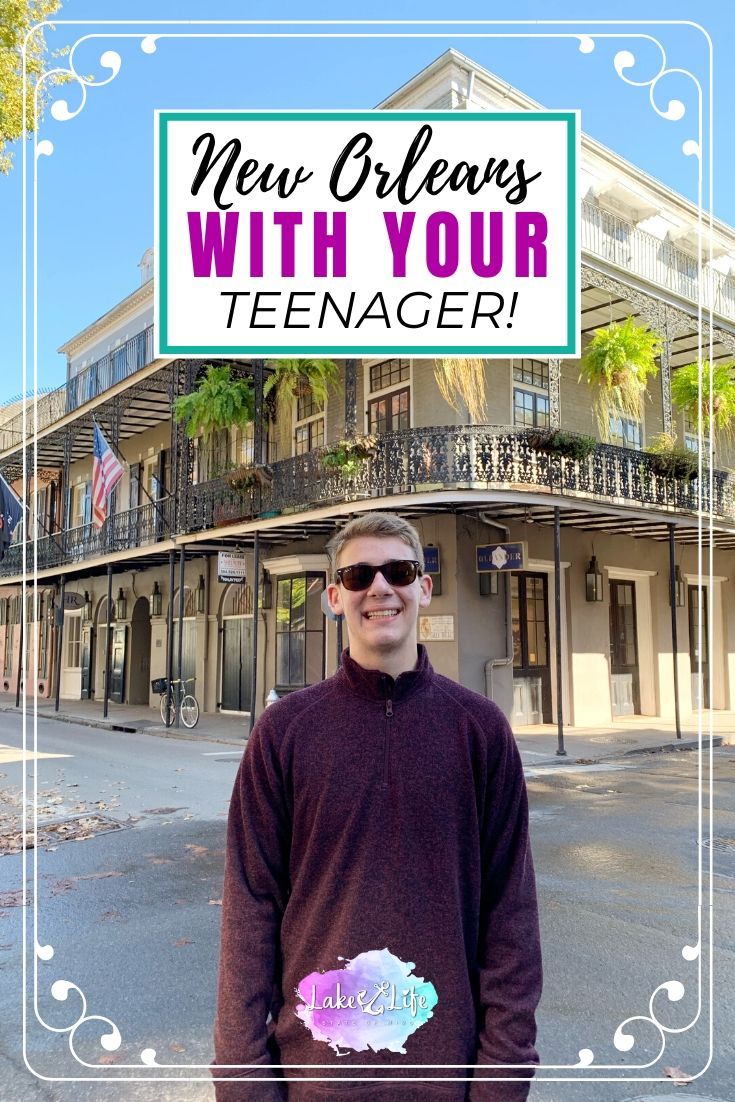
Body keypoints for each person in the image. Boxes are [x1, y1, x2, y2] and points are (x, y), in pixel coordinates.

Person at [212, 512, 542, 1101]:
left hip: (450, 1076)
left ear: (424, 587)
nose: (380, 587)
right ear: (335, 597)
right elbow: (250, 908)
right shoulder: (284, 733)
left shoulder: (480, 731)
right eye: (360, 574)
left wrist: (503, 1075)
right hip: (315, 1076)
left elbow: (510, 913)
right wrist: (243, 1078)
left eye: (399, 570)